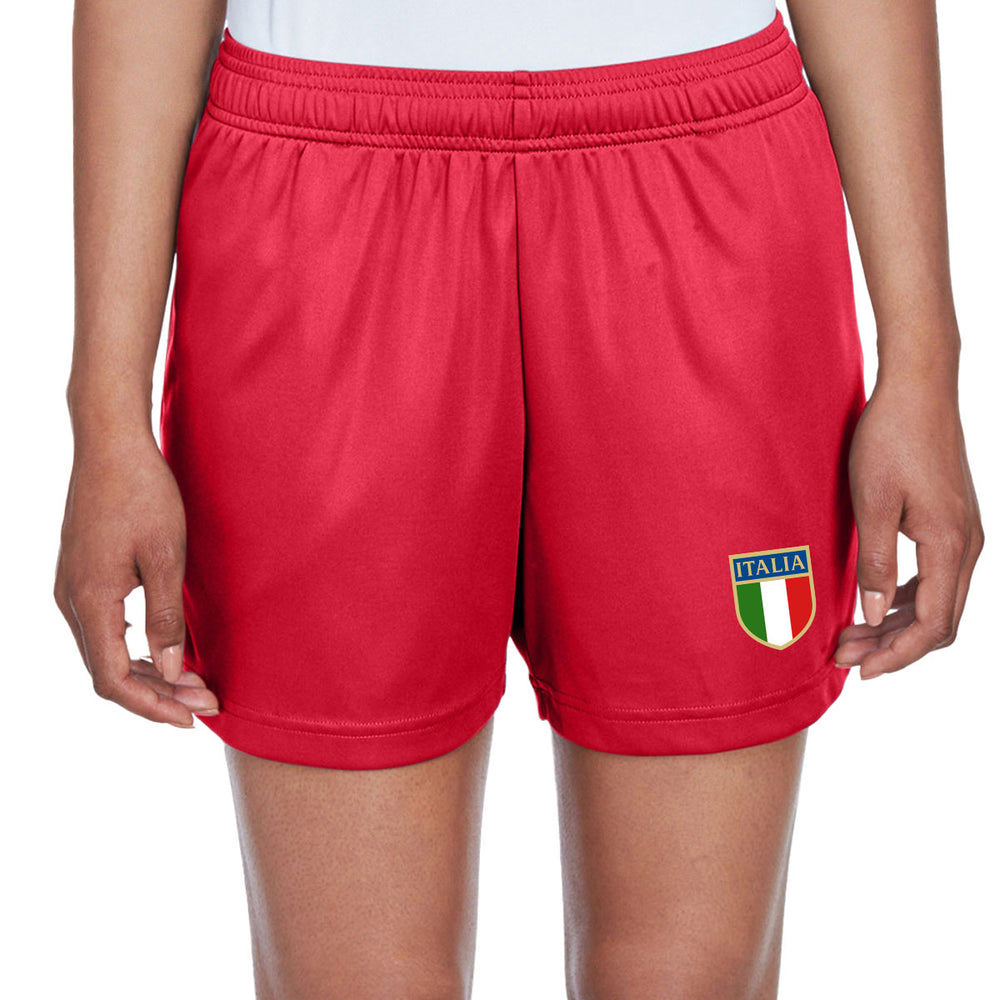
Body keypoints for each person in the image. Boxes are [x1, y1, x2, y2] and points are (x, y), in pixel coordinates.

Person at [54, 0, 983, 997]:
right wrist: (104, 416)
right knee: (356, 982)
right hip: (321, 202)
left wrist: (925, 364)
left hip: (703, 187)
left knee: (686, 980)